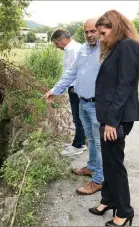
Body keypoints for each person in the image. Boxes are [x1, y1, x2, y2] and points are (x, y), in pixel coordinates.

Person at [89, 10, 139, 226]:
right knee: (109, 161)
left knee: (115, 164)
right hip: (111, 116)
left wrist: (112, 122)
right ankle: (108, 199)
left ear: (116, 27)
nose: (101, 38)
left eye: (103, 33)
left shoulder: (128, 46)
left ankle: (124, 210)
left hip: (117, 119)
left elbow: (125, 86)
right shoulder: (118, 47)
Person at [42, 19, 103, 195]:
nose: (90, 34)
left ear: (100, 31)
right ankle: (91, 167)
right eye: (86, 32)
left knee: (99, 144)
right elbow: (72, 72)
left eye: (93, 31)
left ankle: (99, 179)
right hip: (83, 101)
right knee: (90, 139)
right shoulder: (83, 49)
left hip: (96, 104)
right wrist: (55, 89)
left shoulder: (106, 50)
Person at [50, 28, 86, 156]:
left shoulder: (73, 49)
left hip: (76, 88)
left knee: (78, 116)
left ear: (63, 39)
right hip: (75, 86)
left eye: (56, 43)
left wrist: (75, 86)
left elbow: (78, 70)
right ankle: (80, 141)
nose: (56, 46)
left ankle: (78, 145)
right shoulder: (73, 48)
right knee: (79, 116)